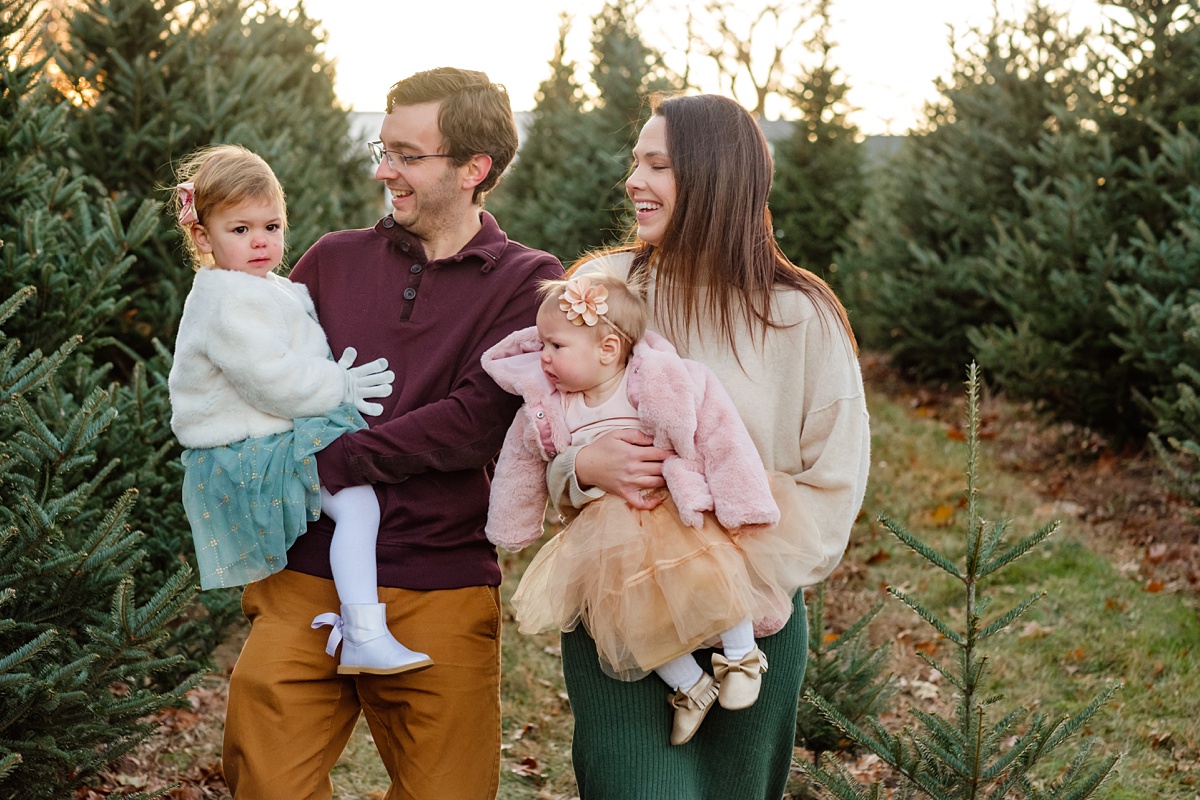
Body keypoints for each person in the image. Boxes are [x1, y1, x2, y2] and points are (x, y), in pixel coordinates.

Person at [219, 69, 563, 800]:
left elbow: (475, 420)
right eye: (384, 148)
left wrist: (338, 459)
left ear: (476, 169)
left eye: (408, 154)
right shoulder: (332, 261)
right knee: (266, 782)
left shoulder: (527, 282)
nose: (385, 170)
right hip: (304, 571)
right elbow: (261, 371)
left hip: (437, 577)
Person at [545, 94, 871, 798]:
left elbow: (836, 483)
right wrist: (579, 470)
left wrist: (735, 580)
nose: (633, 180)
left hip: (752, 626)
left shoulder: (799, 316)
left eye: (656, 164)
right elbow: (541, 430)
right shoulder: (600, 292)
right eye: (635, 161)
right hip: (620, 613)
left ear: (716, 178)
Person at [482, 269, 823, 747]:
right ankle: (690, 686)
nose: (543, 357)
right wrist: (512, 525)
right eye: (542, 345)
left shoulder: (663, 382)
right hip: (605, 538)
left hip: (675, 510)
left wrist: (742, 502)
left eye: (555, 347)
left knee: (714, 573)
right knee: (630, 618)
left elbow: (722, 437)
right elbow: (520, 468)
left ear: (607, 349)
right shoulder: (547, 409)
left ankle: (742, 656)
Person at [168, 145, 431, 676]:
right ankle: (363, 632)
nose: (260, 240)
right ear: (203, 237)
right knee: (358, 505)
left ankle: (361, 626)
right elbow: (273, 381)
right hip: (245, 445)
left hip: (269, 431)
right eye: (239, 230)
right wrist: (341, 386)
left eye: (271, 225)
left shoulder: (267, 288)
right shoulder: (226, 299)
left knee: (357, 502)